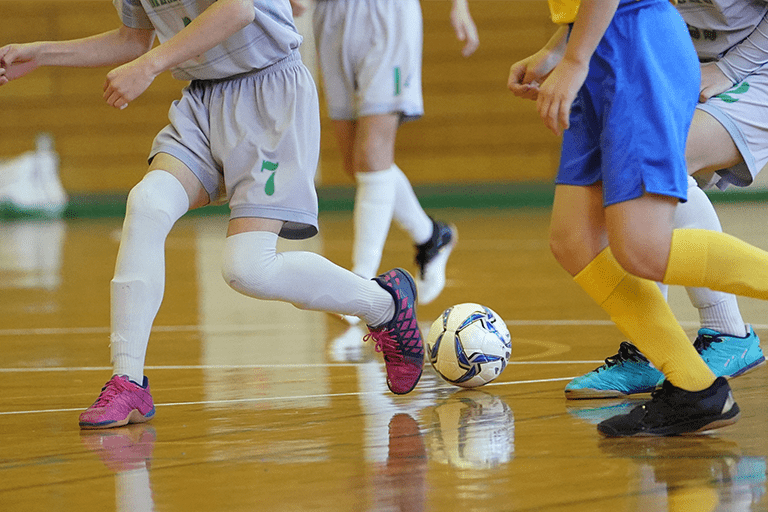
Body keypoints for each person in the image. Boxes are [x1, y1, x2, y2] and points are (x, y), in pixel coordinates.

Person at [0, 0, 426, 430]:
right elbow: (133, 39)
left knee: (247, 269)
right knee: (147, 203)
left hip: (270, 93)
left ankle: (385, 306)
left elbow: (239, 8)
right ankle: (127, 380)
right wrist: (42, 52)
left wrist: (150, 66)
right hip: (203, 100)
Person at [508, 0, 768, 436]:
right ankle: (695, 388)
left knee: (642, 247)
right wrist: (561, 47)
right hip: (604, 42)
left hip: (635, 44)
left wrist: (574, 58)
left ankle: (719, 339)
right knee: (574, 240)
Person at [289, 0, 480, 316]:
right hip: (331, 17)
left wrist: (459, 6)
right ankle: (432, 236)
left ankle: (360, 285)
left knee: (371, 158)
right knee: (357, 164)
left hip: (385, 14)